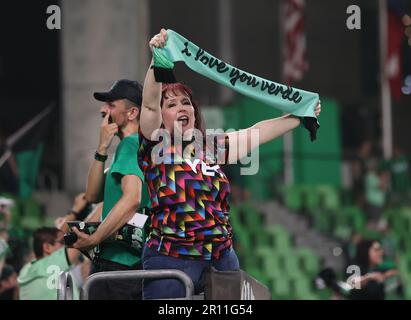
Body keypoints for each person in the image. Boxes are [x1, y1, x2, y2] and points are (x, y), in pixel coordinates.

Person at [138, 28, 321, 299]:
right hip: (173, 259)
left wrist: (299, 117)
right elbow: (150, 106)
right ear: (162, 115)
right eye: (172, 104)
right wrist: (158, 59)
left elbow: (254, 133)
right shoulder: (155, 144)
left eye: (186, 102)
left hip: (222, 257)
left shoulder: (208, 146)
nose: (182, 108)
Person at [70, 80, 150, 300]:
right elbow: (93, 195)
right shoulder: (131, 146)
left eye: (111, 104)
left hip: (120, 265)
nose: (103, 110)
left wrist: (94, 238)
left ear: (132, 112)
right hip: (121, 264)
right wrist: (102, 148)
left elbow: (132, 199)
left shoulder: (131, 145)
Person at [17, 226, 83, 300]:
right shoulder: (49, 265)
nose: (66, 246)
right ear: (47, 247)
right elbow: (80, 239)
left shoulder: (27, 269)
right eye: (62, 242)